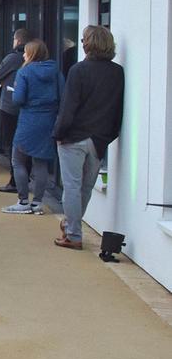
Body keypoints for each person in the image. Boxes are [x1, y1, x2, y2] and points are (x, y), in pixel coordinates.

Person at [52, 25, 124, 251]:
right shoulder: (117, 72)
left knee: (72, 187)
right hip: (99, 138)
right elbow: (117, 108)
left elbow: (69, 106)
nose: (81, 43)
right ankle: (71, 226)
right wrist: (110, 135)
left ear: (90, 43)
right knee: (85, 187)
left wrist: (58, 133)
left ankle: (73, 233)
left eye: (83, 39)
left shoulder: (79, 70)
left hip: (73, 136)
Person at [3, 39, 61, 215]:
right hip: (48, 119)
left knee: (18, 160)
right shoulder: (55, 71)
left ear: (32, 54)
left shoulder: (25, 71)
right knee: (41, 163)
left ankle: (23, 201)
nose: (23, 55)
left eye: (26, 52)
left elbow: (18, 99)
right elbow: (62, 94)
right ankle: (37, 202)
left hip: (29, 119)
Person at [0, 29, 32, 193]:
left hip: (10, 106)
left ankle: (15, 182)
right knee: (27, 148)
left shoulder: (13, 58)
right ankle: (24, 178)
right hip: (30, 110)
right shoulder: (41, 61)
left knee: (12, 146)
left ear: (17, 41)